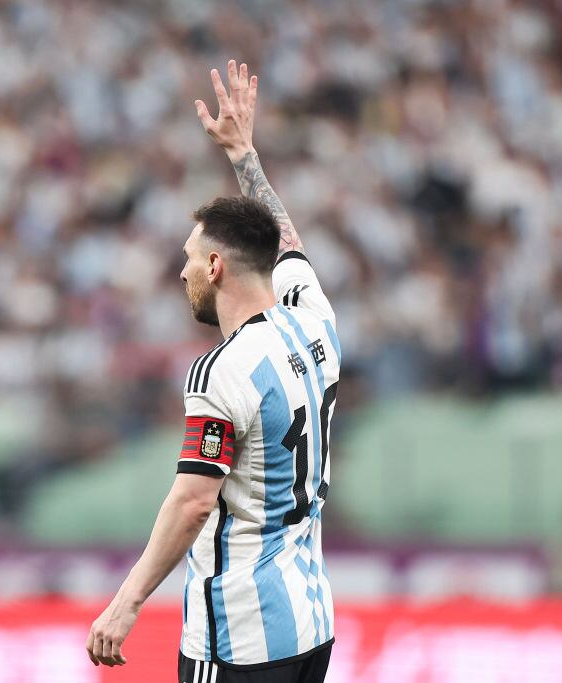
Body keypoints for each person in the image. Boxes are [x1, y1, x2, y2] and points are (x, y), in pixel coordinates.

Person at [87, 61, 340, 683]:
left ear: (219, 267)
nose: (183, 272)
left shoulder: (221, 371)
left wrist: (127, 602)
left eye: (192, 259)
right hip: (310, 622)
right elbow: (285, 241)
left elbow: (195, 499)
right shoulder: (316, 320)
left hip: (239, 638)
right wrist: (244, 155)